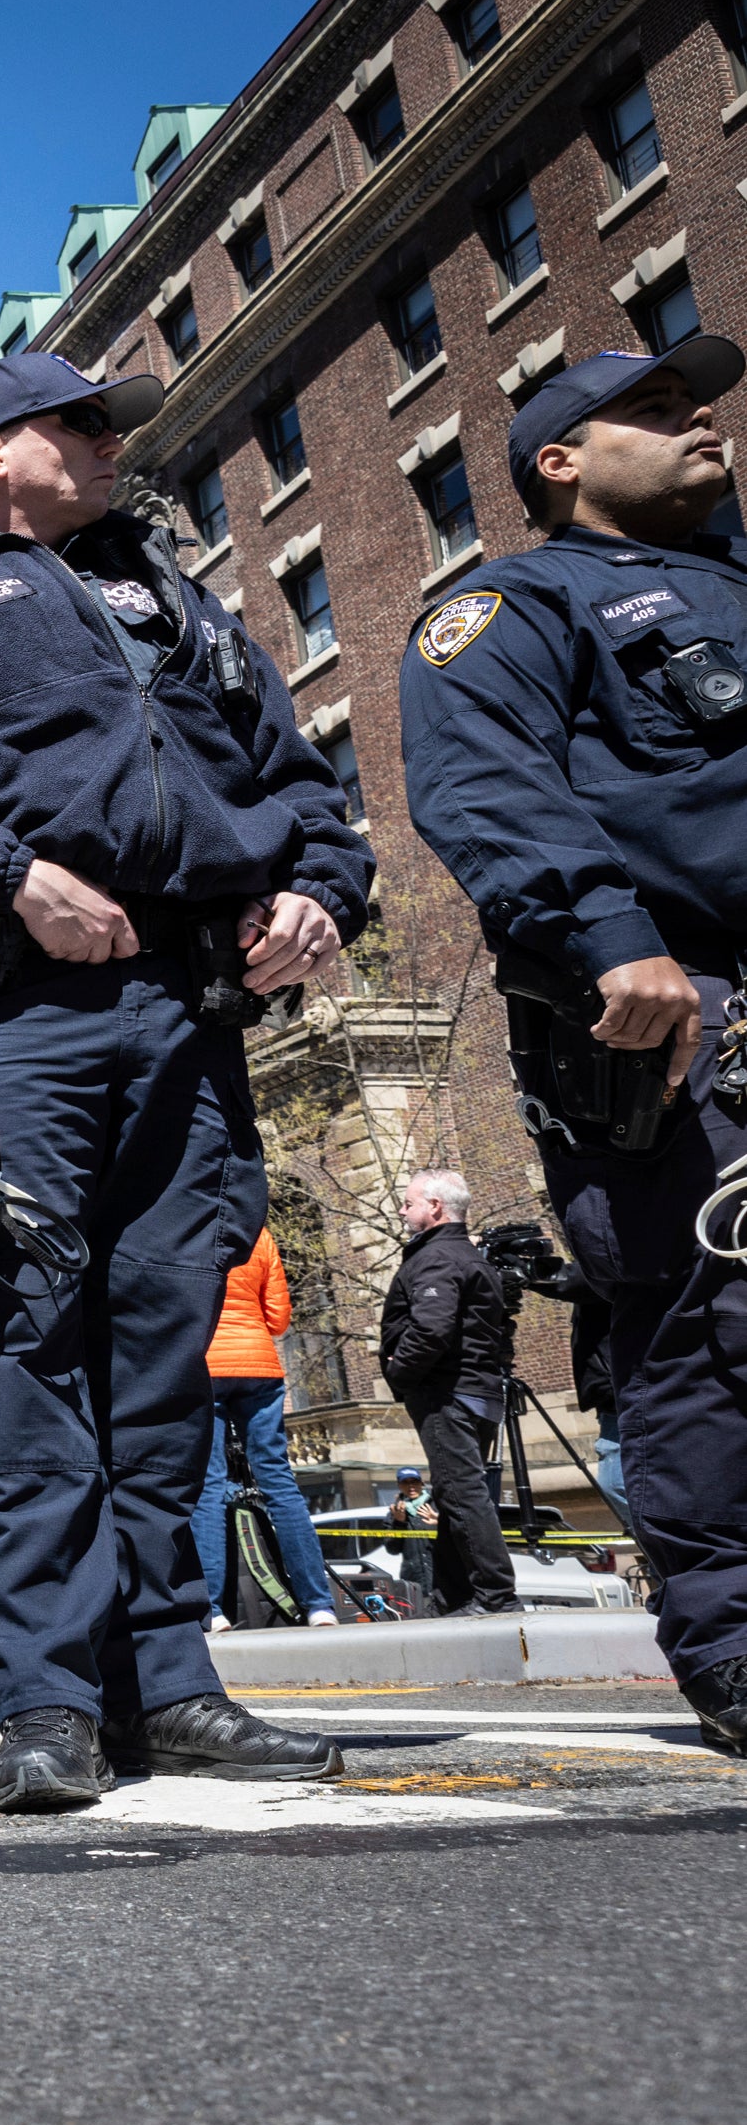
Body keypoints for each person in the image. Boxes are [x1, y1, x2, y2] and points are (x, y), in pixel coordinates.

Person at [0, 349, 370, 1810]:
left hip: (189, 1009)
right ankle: (46, 1699)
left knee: (164, 1354)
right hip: (21, 1012)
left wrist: (321, 889)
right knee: (27, 1348)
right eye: (81, 423)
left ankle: (165, 1679)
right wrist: (10, 879)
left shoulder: (170, 597)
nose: (114, 445)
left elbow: (297, 779)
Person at [393, 336, 747, 1751]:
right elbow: (488, 793)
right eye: (653, 411)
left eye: (697, 398)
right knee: (708, 1332)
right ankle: (731, 1643)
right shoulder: (506, 611)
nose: (699, 420)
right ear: (561, 459)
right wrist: (614, 939)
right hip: (681, 1011)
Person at [374, 1171, 520, 1619]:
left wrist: (400, 1373)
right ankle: (453, 1597)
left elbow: (431, 1327)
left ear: (434, 1206)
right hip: (476, 1390)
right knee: (453, 1494)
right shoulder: (470, 1257)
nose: (401, 1211)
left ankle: (496, 1595)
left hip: (447, 1393)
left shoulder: (436, 1258)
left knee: (461, 1492)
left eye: (407, 1203)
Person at [198, 1225, 338, 1629]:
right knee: (279, 1482)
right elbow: (278, 1319)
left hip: (206, 1366)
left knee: (208, 1486)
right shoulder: (258, 1235)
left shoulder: (185, 1224)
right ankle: (319, 1605)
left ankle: (213, 1609)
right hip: (260, 1366)